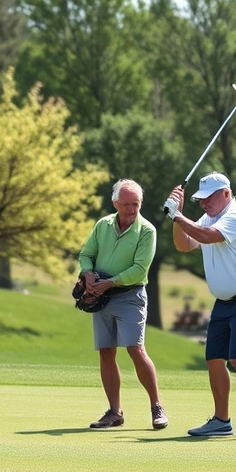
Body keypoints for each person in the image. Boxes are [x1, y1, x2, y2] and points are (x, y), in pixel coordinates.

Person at [164, 172, 236, 441]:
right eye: (199, 199)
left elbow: (209, 236)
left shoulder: (235, 216)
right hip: (224, 302)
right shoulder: (208, 217)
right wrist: (178, 216)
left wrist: (177, 216)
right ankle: (221, 420)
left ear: (226, 193)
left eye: (208, 198)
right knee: (214, 359)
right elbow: (184, 244)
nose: (203, 203)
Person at [78, 179, 168, 431]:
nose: (131, 209)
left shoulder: (147, 230)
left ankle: (156, 406)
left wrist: (109, 283)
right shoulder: (103, 225)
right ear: (115, 203)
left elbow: (139, 270)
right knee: (106, 351)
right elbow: (86, 255)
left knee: (135, 349)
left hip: (130, 295)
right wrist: (87, 274)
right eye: (126, 204)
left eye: (136, 204)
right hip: (101, 295)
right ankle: (114, 412)